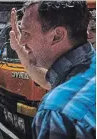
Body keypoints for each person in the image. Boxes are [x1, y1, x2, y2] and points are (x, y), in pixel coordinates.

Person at [10, 1, 95, 139]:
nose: (21, 41)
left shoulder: (56, 113)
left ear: (57, 36)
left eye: (26, 33)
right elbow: (49, 82)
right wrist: (20, 50)